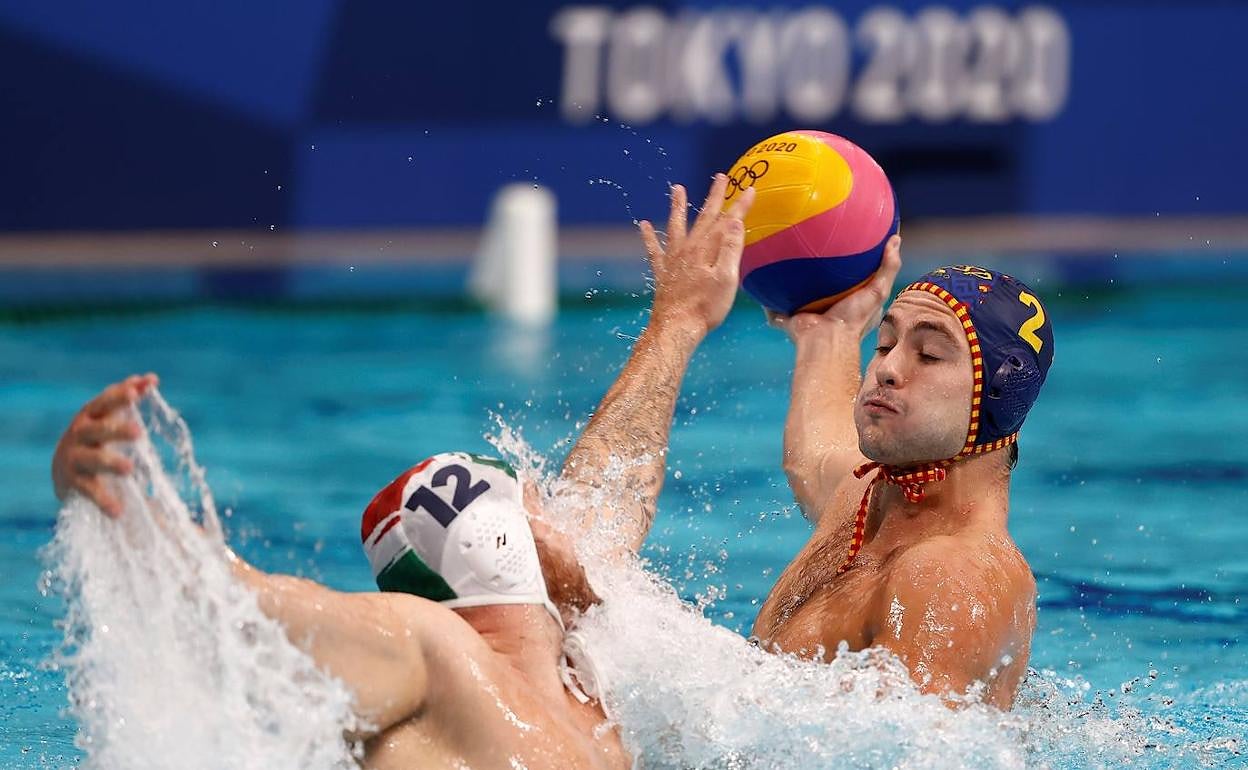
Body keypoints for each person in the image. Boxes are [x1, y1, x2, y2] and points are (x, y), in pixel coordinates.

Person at [49, 176, 757, 768]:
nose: (562, 506)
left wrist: (679, 322)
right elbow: (249, 605)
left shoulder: (592, 675)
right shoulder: (437, 653)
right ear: (514, 543)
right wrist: (115, 507)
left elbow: (616, 483)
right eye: (538, 499)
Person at [755, 256, 1055, 708]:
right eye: (884, 343)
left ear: (1000, 393)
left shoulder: (949, 576)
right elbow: (813, 459)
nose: (887, 368)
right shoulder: (865, 498)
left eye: (929, 354)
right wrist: (828, 331)